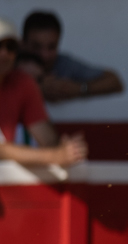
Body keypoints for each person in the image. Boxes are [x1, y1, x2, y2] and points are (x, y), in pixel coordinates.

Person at [0, 16, 86, 167]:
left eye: (10, 47)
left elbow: (48, 140)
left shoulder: (22, 82)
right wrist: (55, 155)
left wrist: (69, 149)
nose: (4, 53)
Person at [21, 10, 122, 102]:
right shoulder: (11, 63)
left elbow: (114, 81)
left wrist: (79, 89)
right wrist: (37, 89)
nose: (44, 55)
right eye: (36, 46)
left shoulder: (64, 64)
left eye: (51, 47)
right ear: (23, 44)